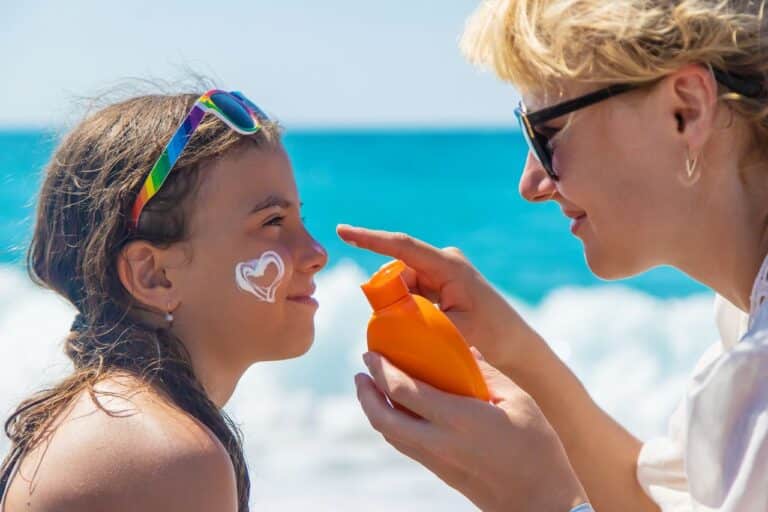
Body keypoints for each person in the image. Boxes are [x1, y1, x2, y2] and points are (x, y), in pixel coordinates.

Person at [339, 0, 768, 510]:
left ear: (687, 109)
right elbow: (655, 499)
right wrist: (513, 351)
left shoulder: (757, 373)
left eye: (546, 134)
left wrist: (533, 497)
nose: (531, 184)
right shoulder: (742, 325)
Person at [0, 90, 327, 511]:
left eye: (300, 218)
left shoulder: (119, 428)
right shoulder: (160, 459)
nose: (317, 254)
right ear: (152, 274)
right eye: (273, 221)